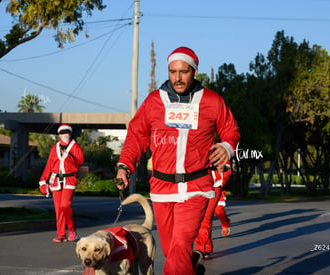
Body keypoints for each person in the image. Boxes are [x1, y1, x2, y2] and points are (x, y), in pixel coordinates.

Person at [115, 46, 240, 274]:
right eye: (172, 71)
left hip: (196, 187)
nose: (177, 77)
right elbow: (136, 136)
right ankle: (191, 266)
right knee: (172, 252)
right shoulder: (154, 101)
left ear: (194, 71)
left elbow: (230, 129)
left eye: (183, 72)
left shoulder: (211, 100)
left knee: (181, 244)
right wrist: (125, 166)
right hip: (162, 188)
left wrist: (226, 146)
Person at [39, 123, 84, 243]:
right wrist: (43, 180)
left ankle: (72, 228)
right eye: (62, 133)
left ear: (70, 133)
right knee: (58, 209)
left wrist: (68, 157)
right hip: (56, 180)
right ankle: (61, 234)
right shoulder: (55, 147)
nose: (65, 135)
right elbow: (49, 164)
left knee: (65, 205)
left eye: (67, 132)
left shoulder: (75, 146)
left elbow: (80, 162)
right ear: (59, 135)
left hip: (69, 179)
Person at [194, 161, 232, 260]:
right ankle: (207, 247)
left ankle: (200, 249)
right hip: (197, 186)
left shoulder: (217, 148)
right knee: (205, 218)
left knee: (207, 216)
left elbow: (227, 169)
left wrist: (220, 180)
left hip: (214, 186)